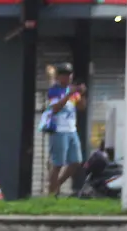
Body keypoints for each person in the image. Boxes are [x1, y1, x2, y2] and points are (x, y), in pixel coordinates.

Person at [43, 62, 87, 196]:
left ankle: (57, 185)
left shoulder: (72, 90)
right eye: (64, 75)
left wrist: (82, 94)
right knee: (58, 164)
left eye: (69, 75)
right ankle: (52, 192)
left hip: (71, 130)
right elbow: (55, 109)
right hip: (58, 131)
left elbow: (81, 107)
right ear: (58, 76)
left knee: (76, 161)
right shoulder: (54, 90)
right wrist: (68, 95)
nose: (67, 78)